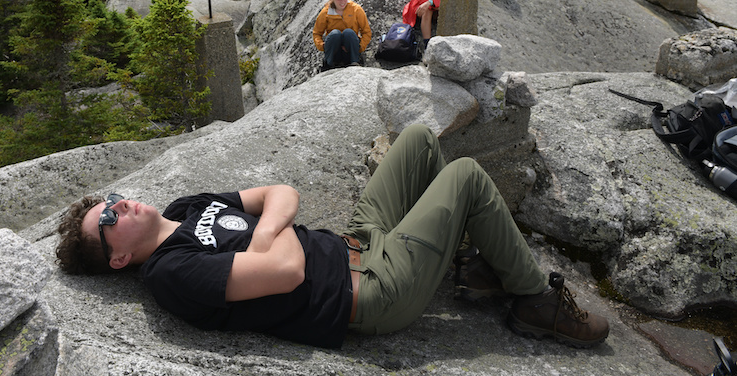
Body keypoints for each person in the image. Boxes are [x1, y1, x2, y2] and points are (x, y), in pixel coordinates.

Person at [56, 124, 610, 349]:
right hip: (370, 290)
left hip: (357, 242)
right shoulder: (170, 274)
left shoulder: (184, 208)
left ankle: (469, 264)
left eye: (109, 200)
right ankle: (536, 303)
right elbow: (287, 272)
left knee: (417, 139)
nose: (117, 205)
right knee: (464, 175)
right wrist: (271, 241)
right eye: (107, 221)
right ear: (119, 258)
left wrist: (266, 233)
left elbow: (281, 192)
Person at [311, 0, 372, 69]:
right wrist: (322, 46)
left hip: (350, 48)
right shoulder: (325, 12)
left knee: (349, 33)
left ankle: (355, 61)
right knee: (335, 34)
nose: (343, 1)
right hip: (335, 49)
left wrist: (360, 47)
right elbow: (317, 33)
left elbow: (366, 32)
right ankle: (329, 64)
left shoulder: (356, 9)